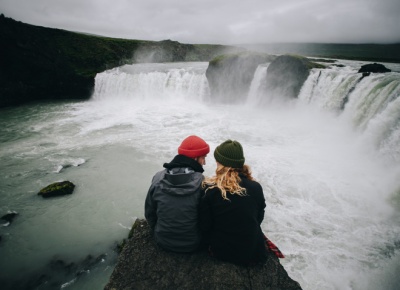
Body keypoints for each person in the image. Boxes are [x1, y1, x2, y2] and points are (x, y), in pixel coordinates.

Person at [199, 139, 282, 265]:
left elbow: (205, 226)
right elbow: (258, 218)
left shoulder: (211, 190)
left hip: (222, 253)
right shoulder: (256, 187)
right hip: (253, 253)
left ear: (222, 163)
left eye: (217, 159)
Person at [144, 135, 210, 253]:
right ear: (195, 158)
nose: (204, 163)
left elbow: (150, 212)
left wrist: (158, 230)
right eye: (203, 158)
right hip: (193, 244)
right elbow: (205, 221)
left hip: (162, 240)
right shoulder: (203, 183)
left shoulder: (158, 178)